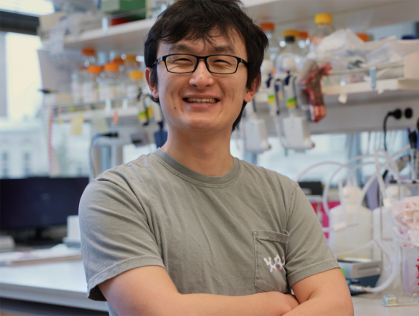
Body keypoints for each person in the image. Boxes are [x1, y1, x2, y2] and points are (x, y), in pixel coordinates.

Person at [79, 0, 353, 315]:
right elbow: (162, 312)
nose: (201, 78)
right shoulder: (115, 195)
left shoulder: (283, 196)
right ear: (153, 81)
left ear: (252, 85)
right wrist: (271, 303)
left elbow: (336, 305)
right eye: (181, 59)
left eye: (222, 61)